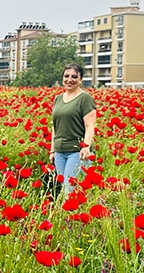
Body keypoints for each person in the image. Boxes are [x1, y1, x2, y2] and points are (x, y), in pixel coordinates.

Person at [49, 63, 96, 193]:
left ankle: (66, 214)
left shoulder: (85, 99)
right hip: (59, 152)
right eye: (66, 76)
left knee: (70, 191)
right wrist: (52, 151)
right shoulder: (58, 99)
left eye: (74, 76)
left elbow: (90, 126)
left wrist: (86, 147)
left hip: (76, 152)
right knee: (64, 188)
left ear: (80, 80)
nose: (69, 80)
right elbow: (55, 126)